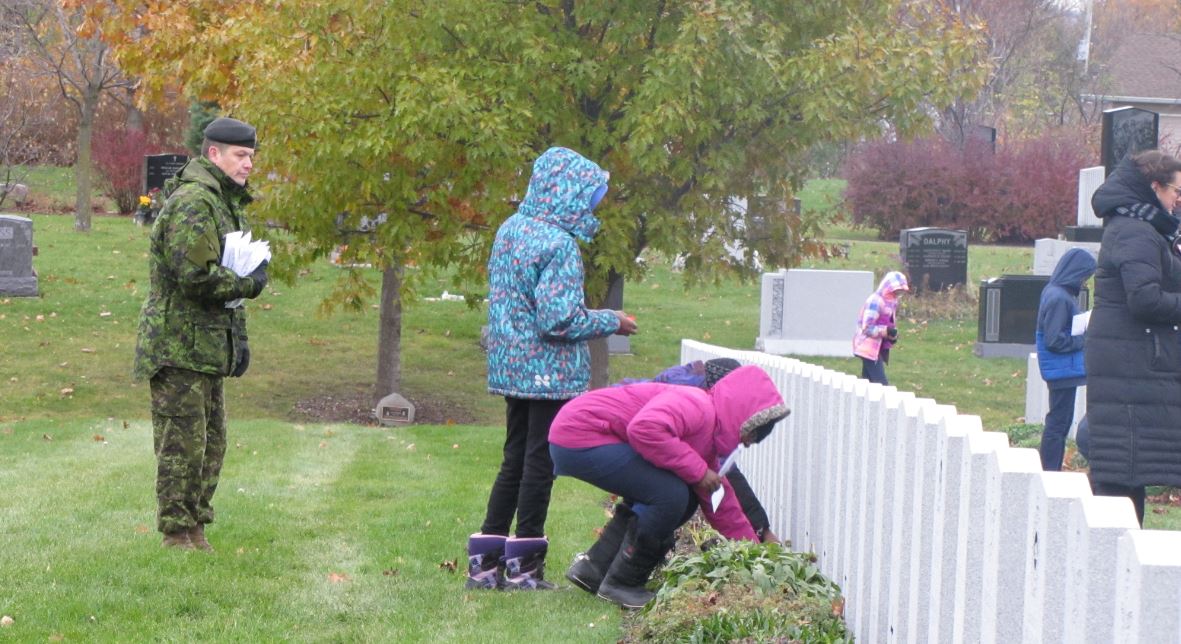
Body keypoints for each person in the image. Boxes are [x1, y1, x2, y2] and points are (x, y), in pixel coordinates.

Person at [466, 147, 638, 591]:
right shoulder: (558, 244)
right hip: (548, 372)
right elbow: (559, 320)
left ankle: (485, 567)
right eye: (588, 199)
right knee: (540, 463)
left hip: (512, 365)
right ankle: (525, 567)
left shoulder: (510, 230)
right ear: (567, 194)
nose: (591, 208)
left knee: (514, 459)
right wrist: (610, 320)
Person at [132, 117, 269, 551]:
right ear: (214, 154)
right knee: (183, 445)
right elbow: (195, 276)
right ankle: (176, 534)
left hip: (206, 345)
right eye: (240, 155)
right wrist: (249, 283)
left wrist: (237, 341)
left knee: (210, 444)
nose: (248, 164)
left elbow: (224, 279)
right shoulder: (195, 201)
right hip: (178, 346)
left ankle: (195, 528)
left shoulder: (221, 201)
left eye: (251, 156)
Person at [549, 365, 790, 609]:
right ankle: (621, 583)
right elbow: (644, 428)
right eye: (748, 437)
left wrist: (756, 555)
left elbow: (720, 502)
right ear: (743, 417)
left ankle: (594, 568)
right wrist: (698, 471)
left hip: (584, 434)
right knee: (669, 495)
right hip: (581, 433)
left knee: (683, 496)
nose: (745, 445)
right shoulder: (698, 407)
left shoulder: (707, 434)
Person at [1085, 149, 1181, 526]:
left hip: (1131, 362)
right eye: (1175, 191)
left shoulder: (1141, 228)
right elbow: (1144, 299)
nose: (1178, 199)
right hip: (1131, 366)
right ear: (1154, 187)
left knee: (1125, 476)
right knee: (1121, 478)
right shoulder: (1135, 230)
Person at [610, 357, 778, 543]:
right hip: (614, 431)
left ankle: (602, 560)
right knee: (675, 494)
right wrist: (762, 531)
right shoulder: (697, 402)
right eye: (749, 438)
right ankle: (618, 554)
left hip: (627, 431)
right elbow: (722, 473)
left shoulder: (696, 384)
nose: (744, 444)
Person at [1035, 248, 1096, 471]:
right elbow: (1054, 340)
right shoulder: (1059, 298)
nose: (1084, 282)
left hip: (1061, 371)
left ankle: (1051, 468)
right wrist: (1083, 339)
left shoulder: (1055, 293)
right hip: (1062, 371)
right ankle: (1049, 469)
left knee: (1059, 421)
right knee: (1058, 423)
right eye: (1084, 276)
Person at [853, 271, 909, 385]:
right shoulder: (876, 301)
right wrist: (886, 331)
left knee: (867, 383)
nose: (899, 293)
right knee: (881, 384)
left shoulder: (891, 301)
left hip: (876, 347)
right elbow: (867, 328)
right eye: (897, 290)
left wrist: (892, 335)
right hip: (867, 346)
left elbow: (888, 322)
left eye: (900, 291)